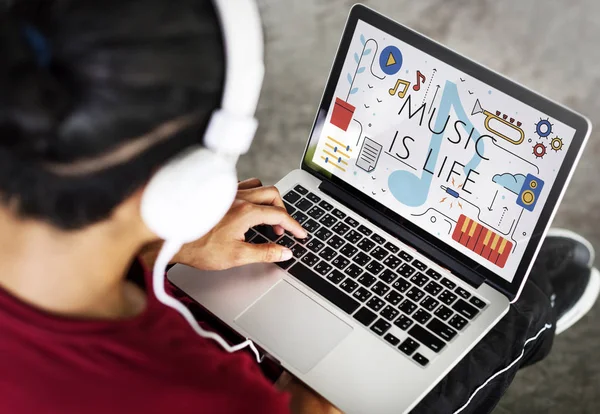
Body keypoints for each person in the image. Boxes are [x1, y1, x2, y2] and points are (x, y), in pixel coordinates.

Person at [0, 1, 597, 414]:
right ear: (192, 183)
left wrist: (169, 246)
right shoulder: (215, 397)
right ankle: (534, 317)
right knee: (508, 309)